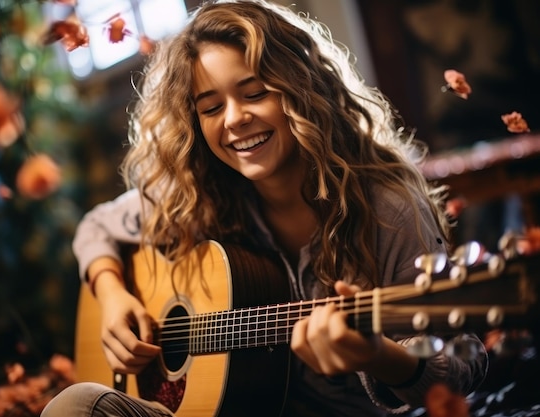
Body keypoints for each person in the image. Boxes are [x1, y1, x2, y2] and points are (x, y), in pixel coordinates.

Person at [42, 0, 487, 416]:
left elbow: (460, 364)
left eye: (254, 93)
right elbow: (97, 226)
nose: (234, 119)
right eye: (211, 107)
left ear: (302, 89)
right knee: (77, 404)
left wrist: (379, 356)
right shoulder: (199, 192)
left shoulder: (387, 205)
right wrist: (113, 293)